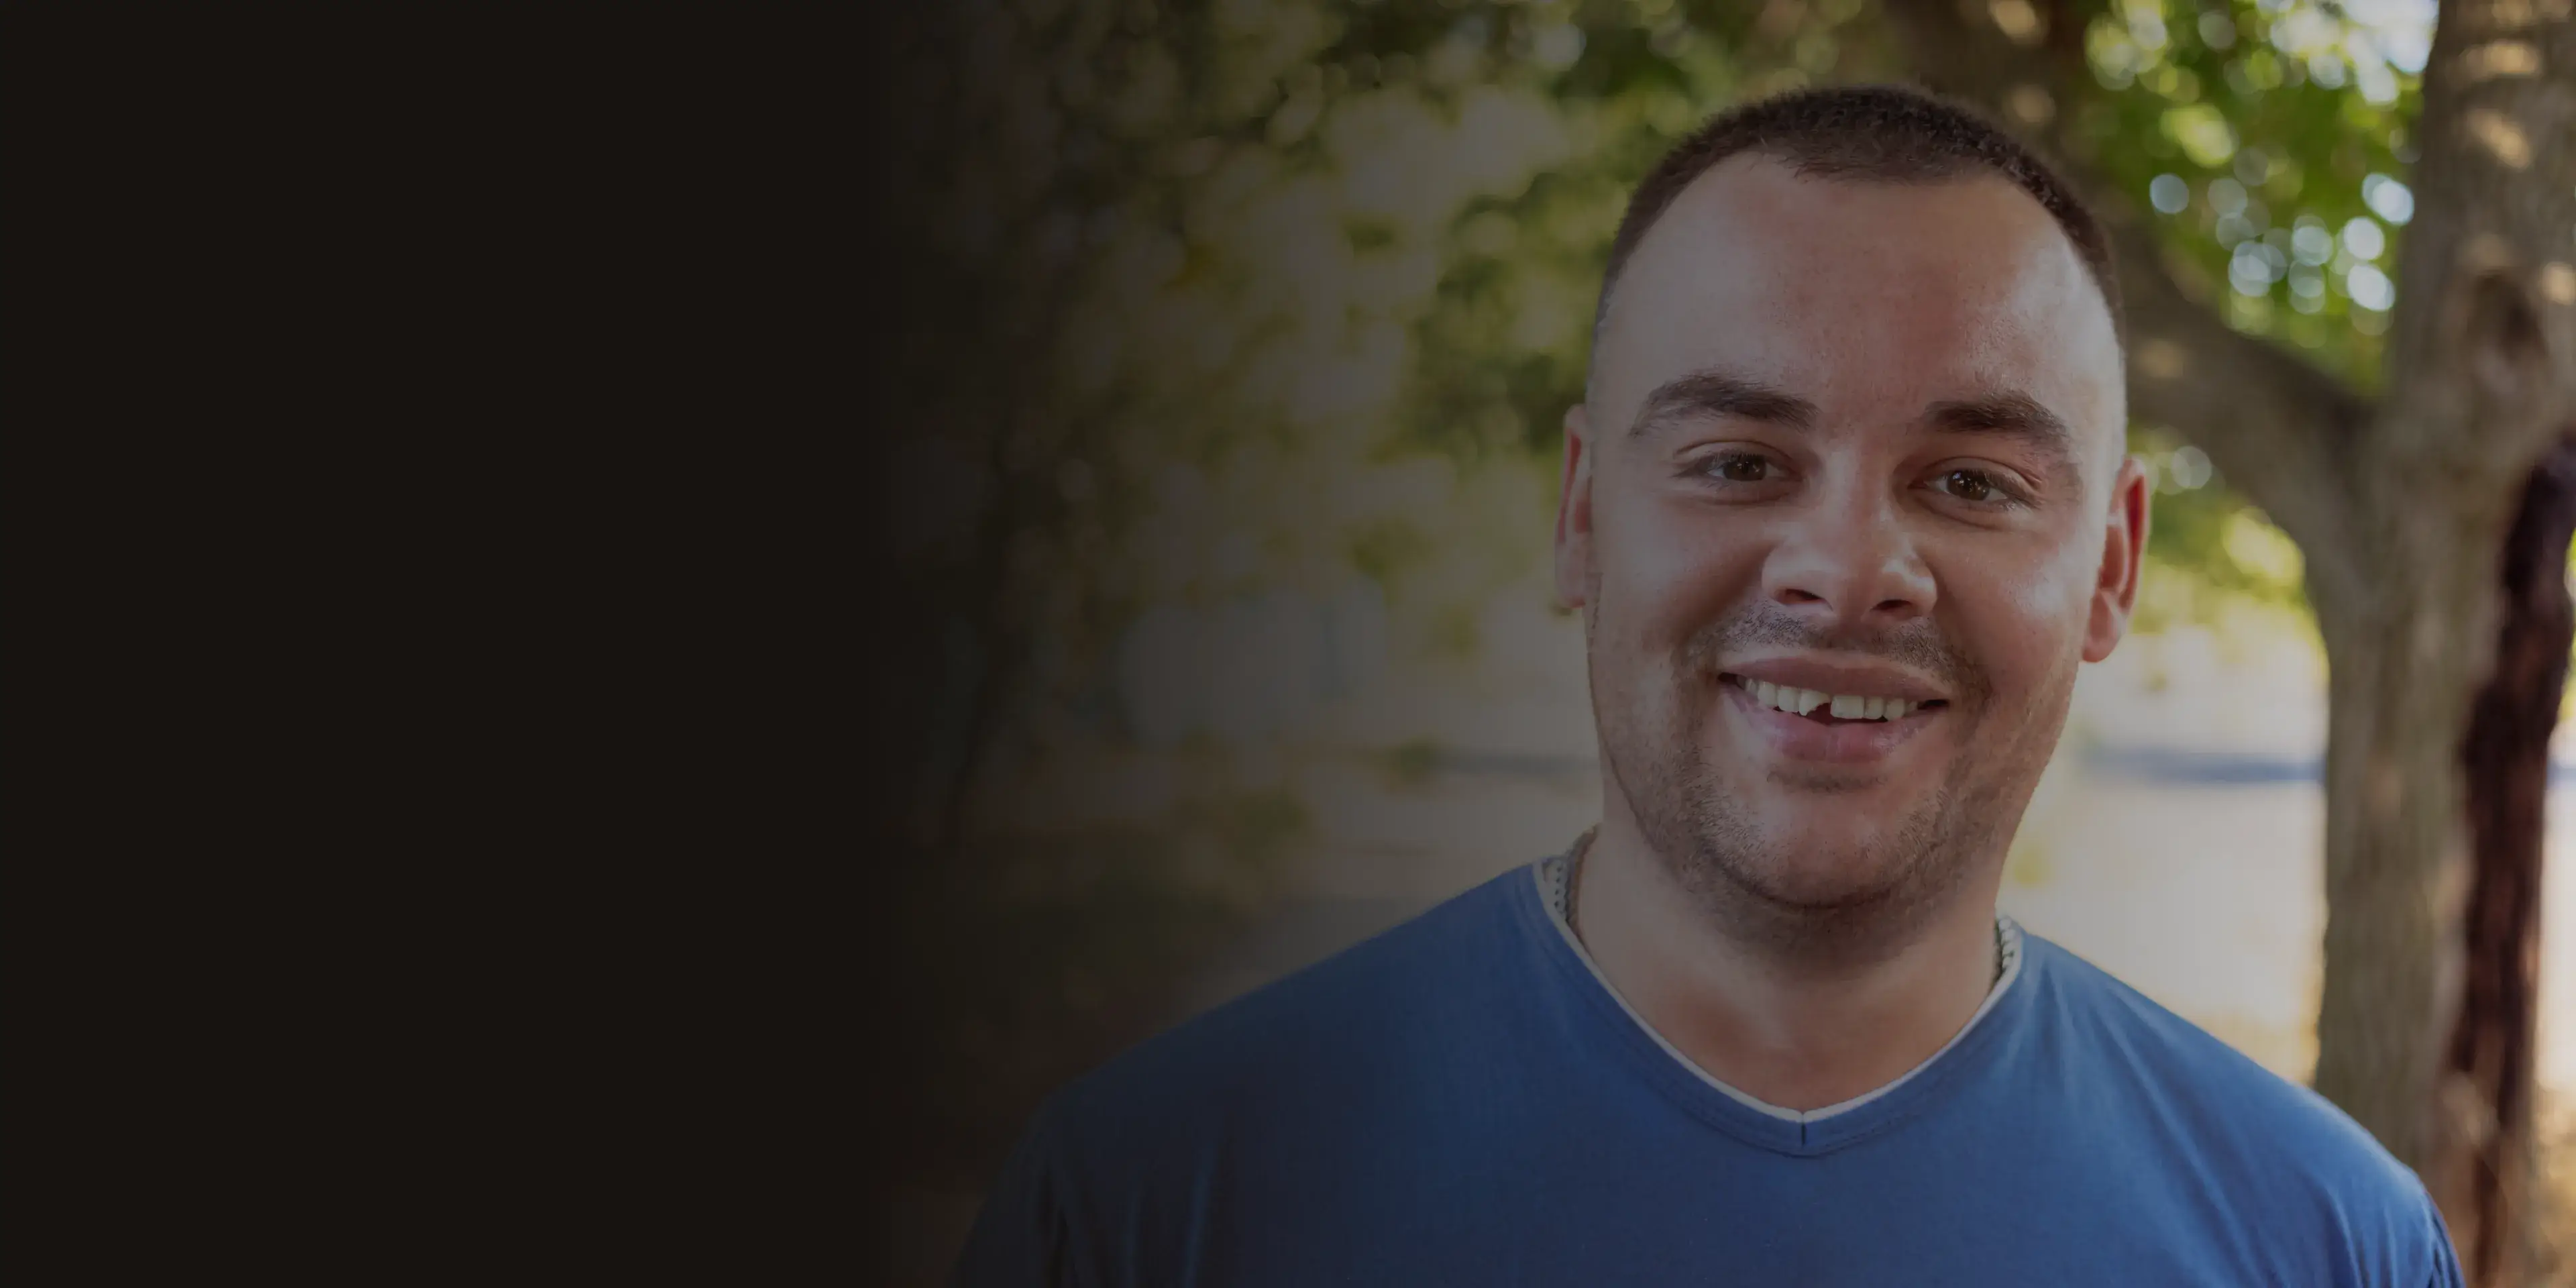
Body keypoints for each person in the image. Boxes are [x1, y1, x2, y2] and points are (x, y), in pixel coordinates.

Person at [952, 84, 2465, 1286]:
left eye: (1972, 480)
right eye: (1740, 461)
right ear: (1583, 516)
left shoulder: (2326, 1243)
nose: (1849, 568)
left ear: (2113, 566)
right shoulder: (1156, 1202)